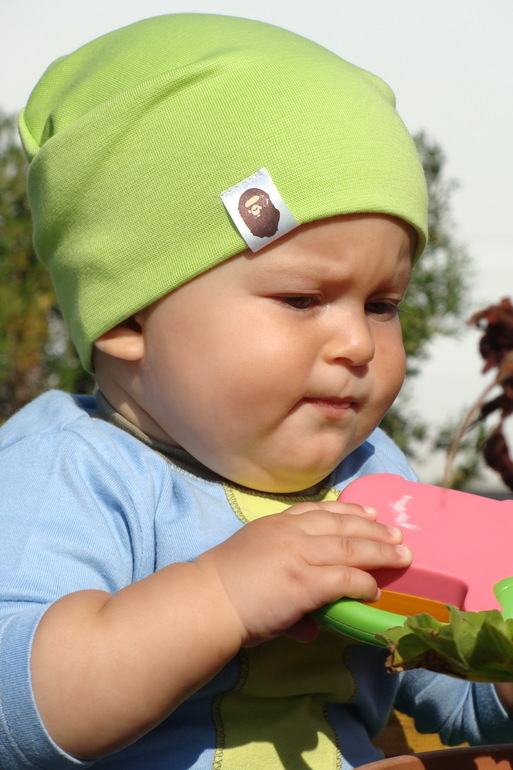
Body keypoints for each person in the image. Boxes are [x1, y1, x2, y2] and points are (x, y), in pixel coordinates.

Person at [1, 13, 512, 770]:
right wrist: (219, 596)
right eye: (302, 299)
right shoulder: (70, 469)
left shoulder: (372, 476)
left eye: (382, 305)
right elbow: (16, 707)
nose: (356, 342)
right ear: (128, 317)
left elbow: (447, 685)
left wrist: (499, 666)